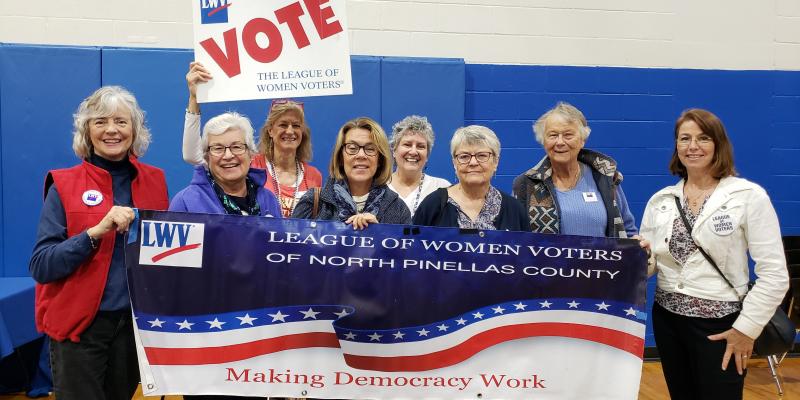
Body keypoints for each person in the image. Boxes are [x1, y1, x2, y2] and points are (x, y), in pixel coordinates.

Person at [28, 86, 169, 400]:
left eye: (121, 121)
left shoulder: (156, 181)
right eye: (100, 121)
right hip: (80, 328)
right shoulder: (63, 184)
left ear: (135, 129)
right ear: (86, 131)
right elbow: (42, 264)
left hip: (132, 327)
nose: (111, 130)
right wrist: (94, 233)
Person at [639, 108, 789, 400]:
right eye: (685, 138)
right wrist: (636, 256)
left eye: (703, 138)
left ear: (718, 144)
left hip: (723, 327)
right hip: (668, 322)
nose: (692, 146)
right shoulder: (662, 200)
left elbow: (774, 274)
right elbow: (650, 266)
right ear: (676, 146)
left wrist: (746, 329)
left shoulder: (747, 196)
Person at [183, 61, 322, 217]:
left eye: (296, 125)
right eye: (283, 124)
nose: (290, 131)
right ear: (270, 130)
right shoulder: (251, 163)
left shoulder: (314, 175)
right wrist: (194, 99)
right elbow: (192, 155)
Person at [512, 102, 637, 237]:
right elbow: (514, 238)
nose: (560, 142)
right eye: (553, 135)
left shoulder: (605, 177)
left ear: (582, 140)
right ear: (543, 141)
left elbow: (628, 231)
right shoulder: (526, 184)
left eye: (568, 135)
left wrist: (637, 245)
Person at [292, 117, 411, 228]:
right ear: (340, 157)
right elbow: (291, 247)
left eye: (370, 149)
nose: (361, 155)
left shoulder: (399, 209)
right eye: (352, 148)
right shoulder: (313, 201)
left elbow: (407, 250)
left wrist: (379, 234)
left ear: (380, 159)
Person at [413, 125, 529, 231]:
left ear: (496, 162)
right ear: (454, 163)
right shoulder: (433, 204)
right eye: (464, 156)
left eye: (482, 155)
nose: (473, 162)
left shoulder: (515, 210)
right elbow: (414, 249)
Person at [170, 112, 281, 218]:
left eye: (237, 147)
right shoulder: (185, 202)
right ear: (206, 157)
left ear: (251, 154)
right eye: (218, 148)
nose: (228, 156)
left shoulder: (269, 200)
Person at [387, 115, 450, 216]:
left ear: (427, 155)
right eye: (407, 144)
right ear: (394, 150)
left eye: (420, 146)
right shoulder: (379, 187)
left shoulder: (441, 188)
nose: (413, 151)